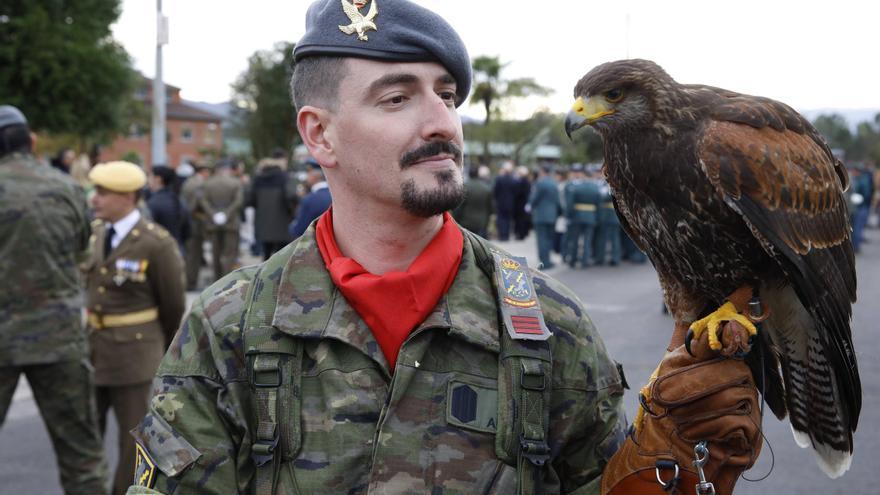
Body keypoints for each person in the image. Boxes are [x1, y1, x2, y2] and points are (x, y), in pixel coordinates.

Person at [128, 2, 761, 494]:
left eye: (447, 95)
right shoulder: (231, 325)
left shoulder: (548, 324)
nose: (440, 122)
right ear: (320, 135)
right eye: (398, 98)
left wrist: (665, 474)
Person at [0, 105, 108, 494]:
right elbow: (84, 256)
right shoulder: (66, 188)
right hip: (57, 337)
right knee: (82, 459)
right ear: (30, 141)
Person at [85, 161, 186, 495]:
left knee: (132, 445)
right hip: (93, 351)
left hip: (134, 357)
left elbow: (173, 306)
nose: (94, 199)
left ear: (127, 196)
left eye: (102, 192)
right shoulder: (98, 232)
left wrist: (159, 349)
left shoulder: (155, 243)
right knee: (86, 437)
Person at [247, 150, 299, 259]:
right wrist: (293, 211)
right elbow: (290, 196)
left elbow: (250, 200)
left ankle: (265, 275)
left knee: (266, 255)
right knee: (282, 257)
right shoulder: (285, 177)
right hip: (282, 222)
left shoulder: (258, 178)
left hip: (263, 223)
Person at [199, 160, 244, 281]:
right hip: (231, 222)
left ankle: (217, 279)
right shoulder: (235, 182)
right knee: (229, 253)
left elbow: (203, 201)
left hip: (213, 223)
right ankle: (227, 279)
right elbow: (238, 201)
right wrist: (226, 214)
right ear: (227, 169)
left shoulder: (208, 183)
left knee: (216, 253)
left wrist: (213, 214)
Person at [180, 161, 212, 290]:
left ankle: (188, 281)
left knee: (190, 253)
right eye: (207, 173)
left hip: (188, 222)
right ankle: (190, 283)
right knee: (194, 254)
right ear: (202, 172)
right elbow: (196, 204)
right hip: (196, 223)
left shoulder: (188, 182)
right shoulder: (199, 184)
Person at [146, 165, 190, 252]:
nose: (148, 180)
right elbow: (188, 230)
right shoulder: (178, 200)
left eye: (150, 176)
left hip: (159, 252)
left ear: (158, 179)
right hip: (178, 249)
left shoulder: (153, 203)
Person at [565, 163, 600, 268]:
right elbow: (598, 205)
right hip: (590, 217)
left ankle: (573, 260)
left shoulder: (577, 188)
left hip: (577, 216)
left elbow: (570, 204)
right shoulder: (595, 188)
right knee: (587, 241)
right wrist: (596, 217)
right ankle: (585, 261)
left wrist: (569, 215)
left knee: (575, 240)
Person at [528, 164, 561, 269]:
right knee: (548, 239)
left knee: (541, 239)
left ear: (542, 171)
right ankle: (548, 260)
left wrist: (529, 206)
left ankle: (544, 262)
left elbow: (534, 199)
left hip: (541, 216)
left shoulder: (540, 183)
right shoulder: (554, 183)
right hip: (552, 215)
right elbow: (557, 201)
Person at [288, 161, 331, 238]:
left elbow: (299, 230)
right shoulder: (335, 195)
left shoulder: (309, 199)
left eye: (308, 173)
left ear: (314, 177)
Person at [452, 164, 493, 237]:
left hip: (465, 222)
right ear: (478, 174)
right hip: (481, 222)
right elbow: (490, 207)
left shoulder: (464, 187)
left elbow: (459, 207)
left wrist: (455, 220)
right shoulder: (486, 188)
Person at [492, 161, 517, 240]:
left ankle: (502, 235)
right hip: (510, 202)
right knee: (508, 219)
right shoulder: (513, 180)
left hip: (501, 202)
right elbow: (515, 192)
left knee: (501, 219)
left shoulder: (499, 179)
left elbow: (495, 190)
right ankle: (506, 235)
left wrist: (496, 199)